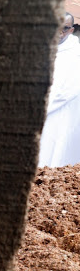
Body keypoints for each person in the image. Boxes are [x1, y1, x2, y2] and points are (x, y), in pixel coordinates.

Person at [39, 13, 80, 167]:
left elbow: (66, 93)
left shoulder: (75, 56)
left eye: (64, 29)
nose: (58, 32)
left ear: (71, 30)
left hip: (57, 115)